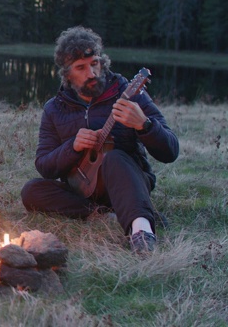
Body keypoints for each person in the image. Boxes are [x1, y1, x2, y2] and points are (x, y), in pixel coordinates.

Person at [20, 26, 179, 253]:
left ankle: (142, 231)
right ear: (67, 74)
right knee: (31, 192)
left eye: (95, 63)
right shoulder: (55, 108)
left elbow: (171, 151)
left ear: (102, 62)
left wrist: (144, 125)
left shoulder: (129, 93)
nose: (91, 73)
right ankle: (108, 214)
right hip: (82, 188)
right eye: (81, 68)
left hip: (127, 180)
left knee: (113, 157)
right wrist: (72, 147)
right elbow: (44, 165)